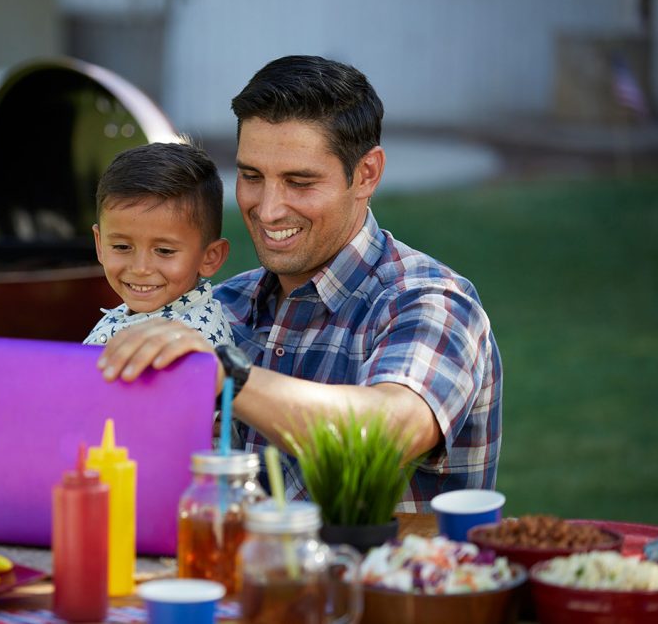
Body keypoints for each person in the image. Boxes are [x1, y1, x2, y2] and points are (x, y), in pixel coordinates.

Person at [96, 56, 502, 512]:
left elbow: (386, 434)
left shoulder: (430, 302)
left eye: (299, 181)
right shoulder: (220, 307)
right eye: (251, 176)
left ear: (366, 174)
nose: (268, 209)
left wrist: (228, 374)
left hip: (378, 581)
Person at [84, 142, 233, 348]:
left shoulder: (190, 343)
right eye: (121, 247)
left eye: (164, 251)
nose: (140, 268)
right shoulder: (126, 314)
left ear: (210, 257)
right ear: (100, 245)